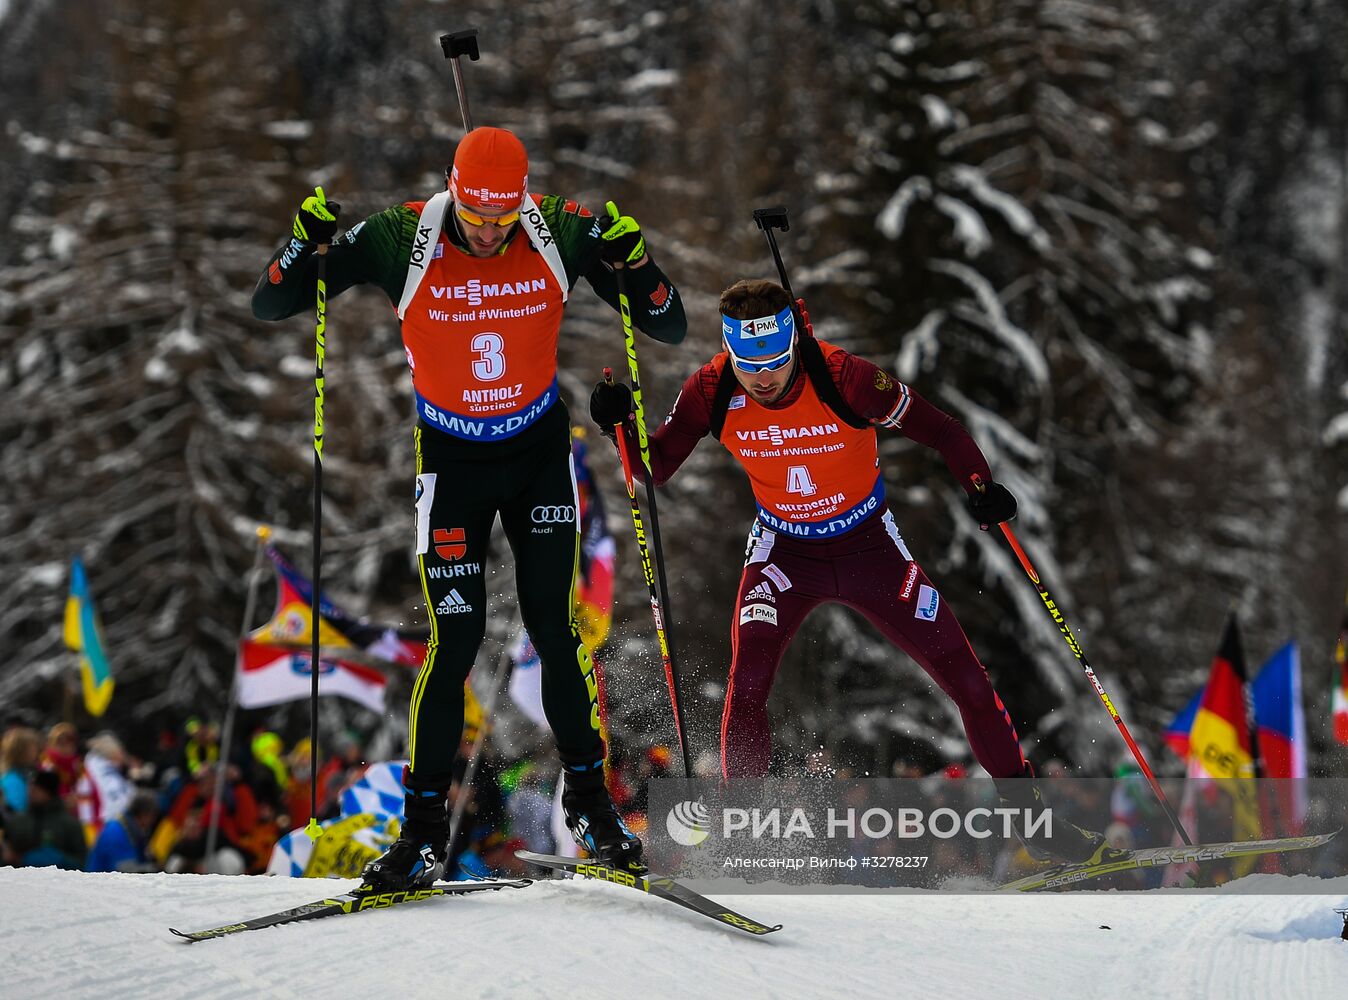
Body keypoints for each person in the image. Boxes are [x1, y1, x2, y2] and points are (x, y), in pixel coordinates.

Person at [253, 126, 687, 886]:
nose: (489, 232)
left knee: (557, 634)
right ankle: (422, 833)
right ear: (453, 192)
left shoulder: (557, 229)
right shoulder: (402, 236)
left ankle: (592, 809)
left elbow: (666, 322)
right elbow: (275, 301)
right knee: (453, 641)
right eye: (476, 216)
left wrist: (638, 263)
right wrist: (300, 245)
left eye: (503, 217)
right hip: (451, 463)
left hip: (537, 457)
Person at [589, 278, 1114, 865]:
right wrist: (620, 427)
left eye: (776, 362)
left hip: (870, 548)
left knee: (968, 680)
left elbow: (942, 430)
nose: (762, 379)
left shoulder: (846, 378)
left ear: (794, 342)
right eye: (748, 364)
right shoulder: (711, 389)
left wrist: (980, 486)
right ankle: (741, 840)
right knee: (748, 681)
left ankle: (1035, 826)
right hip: (783, 553)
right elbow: (654, 467)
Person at [86, 790, 160, 873]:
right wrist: (153, 869)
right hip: (100, 879)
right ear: (144, 815)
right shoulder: (116, 833)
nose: (153, 821)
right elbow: (125, 871)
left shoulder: (127, 829)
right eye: (153, 816)